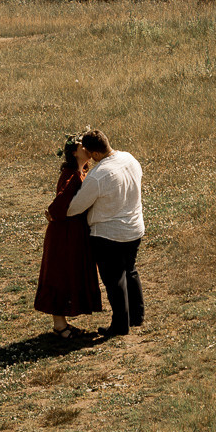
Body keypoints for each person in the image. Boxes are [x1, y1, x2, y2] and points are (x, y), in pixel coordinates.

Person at [66, 127, 144, 337]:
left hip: (109, 234)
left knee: (114, 280)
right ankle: (137, 316)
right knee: (130, 271)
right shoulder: (130, 159)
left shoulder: (98, 176)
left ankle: (120, 325)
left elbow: (75, 208)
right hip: (134, 228)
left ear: (95, 153)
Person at [33, 137, 102, 338]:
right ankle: (59, 325)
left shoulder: (83, 173)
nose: (86, 148)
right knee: (61, 273)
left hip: (75, 230)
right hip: (64, 232)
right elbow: (61, 202)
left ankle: (62, 322)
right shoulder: (70, 174)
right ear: (74, 152)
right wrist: (53, 213)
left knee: (72, 271)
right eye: (82, 146)